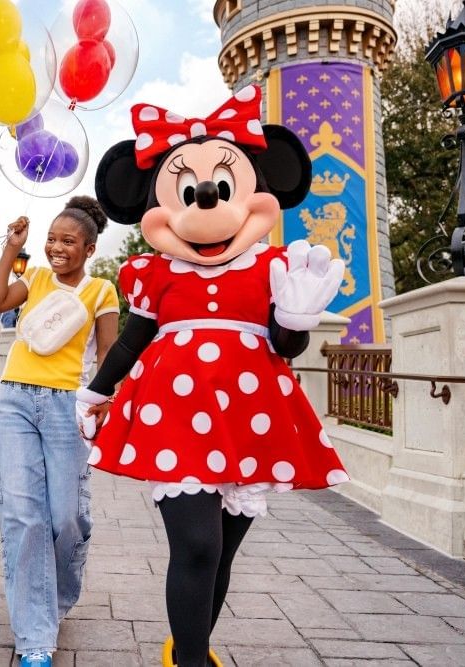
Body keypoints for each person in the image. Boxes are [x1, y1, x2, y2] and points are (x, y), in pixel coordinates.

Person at [78, 86, 348, 667]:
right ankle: (193, 663)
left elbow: (285, 344)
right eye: (190, 191)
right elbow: (133, 338)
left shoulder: (274, 266)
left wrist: (296, 318)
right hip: (172, 417)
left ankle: (187, 647)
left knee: (220, 553)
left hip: (252, 419)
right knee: (196, 544)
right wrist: (95, 392)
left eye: (223, 188)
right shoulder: (153, 271)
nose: (206, 202)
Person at [0, 196, 119, 667]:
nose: (56, 248)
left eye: (67, 241)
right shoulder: (35, 278)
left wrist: (103, 402)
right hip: (16, 398)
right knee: (25, 516)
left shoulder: (102, 290)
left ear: (89, 248)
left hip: (68, 407)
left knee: (66, 518)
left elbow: (108, 355)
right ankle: (35, 635)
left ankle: (57, 593)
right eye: (51, 240)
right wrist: (11, 249)